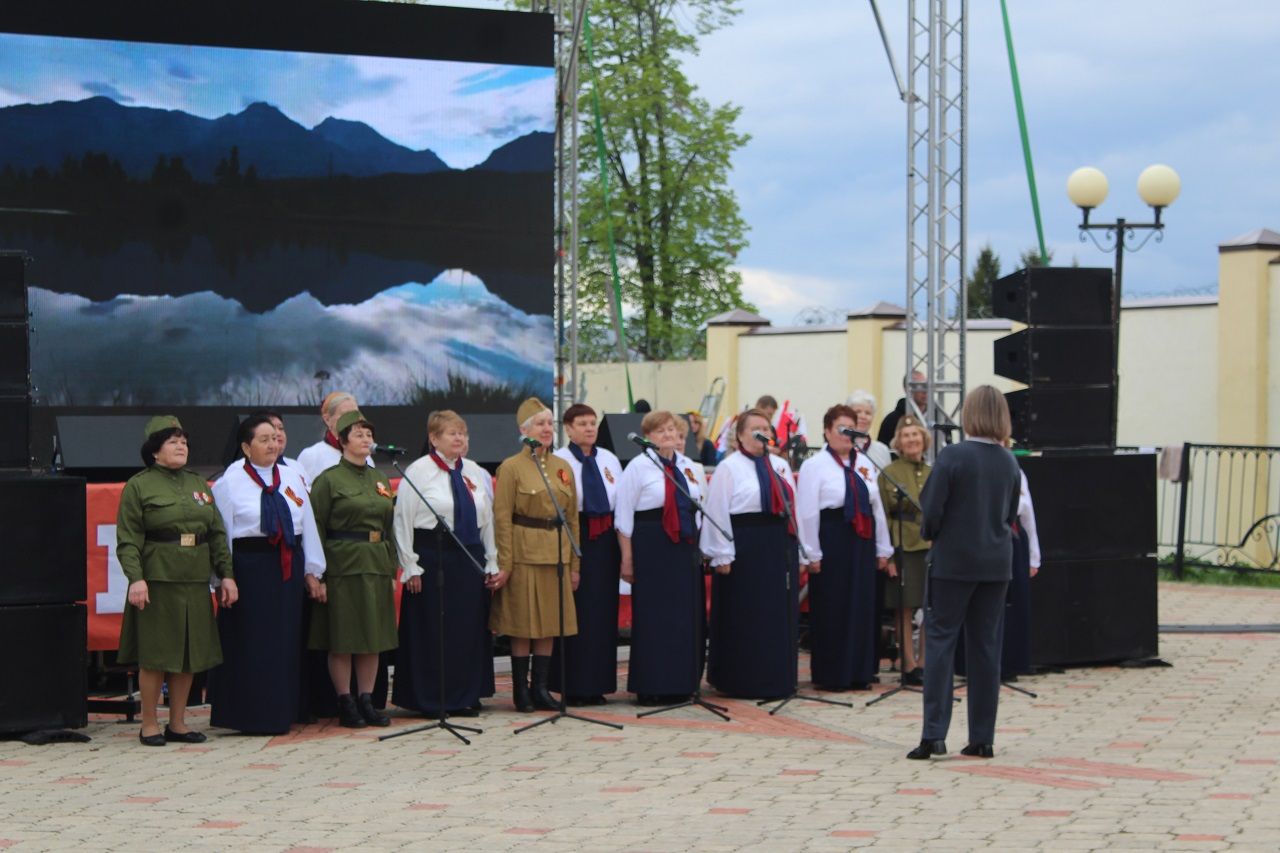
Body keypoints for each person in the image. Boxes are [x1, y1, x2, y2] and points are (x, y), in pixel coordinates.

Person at [908, 385, 1020, 761]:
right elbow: (1009, 514)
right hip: (996, 564)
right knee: (986, 648)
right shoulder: (1009, 461)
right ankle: (983, 737)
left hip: (953, 563)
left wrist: (931, 532)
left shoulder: (954, 456)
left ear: (969, 413)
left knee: (940, 643)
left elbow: (933, 510)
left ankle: (934, 734)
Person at [117, 416, 237, 746]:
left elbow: (215, 533)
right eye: (172, 441)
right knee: (157, 655)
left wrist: (226, 575)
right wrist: (136, 579)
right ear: (154, 452)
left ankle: (179, 722)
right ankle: (150, 724)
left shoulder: (198, 484)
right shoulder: (139, 486)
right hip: (159, 579)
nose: (181, 446)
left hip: (195, 578)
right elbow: (129, 539)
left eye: (183, 441)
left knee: (189, 653)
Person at [209, 415, 324, 734]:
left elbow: (307, 525)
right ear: (246, 447)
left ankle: (284, 710)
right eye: (264, 439)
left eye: (275, 438)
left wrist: (313, 570)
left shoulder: (291, 478)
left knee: (284, 639)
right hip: (250, 568)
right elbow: (223, 533)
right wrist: (223, 577)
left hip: (287, 567)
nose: (273, 444)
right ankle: (250, 714)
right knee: (253, 640)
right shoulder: (230, 482)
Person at [392, 411, 497, 718]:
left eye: (462, 434)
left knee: (465, 628)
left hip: (468, 555)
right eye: (452, 434)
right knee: (433, 628)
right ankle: (431, 697)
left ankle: (464, 695)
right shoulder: (419, 470)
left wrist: (491, 559)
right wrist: (409, 564)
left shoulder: (475, 472)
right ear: (434, 438)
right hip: (432, 554)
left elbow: (486, 519)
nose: (459, 439)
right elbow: (403, 519)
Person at [307, 410, 399, 729]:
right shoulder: (329, 480)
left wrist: (390, 569)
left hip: (375, 563)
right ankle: (345, 700)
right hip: (342, 564)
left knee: (372, 636)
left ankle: (367, 699)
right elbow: (315, 526)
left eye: (369, 435)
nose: (366, 440)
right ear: (343, 440)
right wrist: (316, 574)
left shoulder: (379, 479)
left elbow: (389, 527)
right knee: (343, 636)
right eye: (358, 434)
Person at [701, 408, 800, 699]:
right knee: (746, 614)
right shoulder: (729, 467)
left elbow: (793, 508)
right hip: (744, 545)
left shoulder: (780, 465)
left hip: (777, 543)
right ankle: (740, 679)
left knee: (774, 614)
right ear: (741, 435)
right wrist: (722, 554)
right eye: (756, 428)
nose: (763, 432)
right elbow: (717, 511)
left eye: (767, 428)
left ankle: (775, 678)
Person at [490, 397, 581, 712]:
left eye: (549, 424)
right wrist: (506, 562)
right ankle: (520, 691)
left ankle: (540, 688)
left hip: (556, 553)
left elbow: (572, 518)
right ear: (523, 429)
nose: (546, 429)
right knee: (524, 624)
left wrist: (574, 564)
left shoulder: (562, 467)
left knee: (549, 624)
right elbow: (502, 518)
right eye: (540, 424)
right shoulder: (511, 467)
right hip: (524, 552)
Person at [796, 405, 894, 691]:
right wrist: (811, 553)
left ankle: (859, 671)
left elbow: (876, 508)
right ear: (827, 432)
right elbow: (808, 512)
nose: (847, 434)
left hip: (861, 541)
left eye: (852, 429)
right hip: (832, 538)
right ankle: (832, 673)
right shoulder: (815, 466)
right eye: (841, 428)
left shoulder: (864, 463)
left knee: (861, 605)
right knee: (833, 606)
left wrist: (882, 549)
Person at [614, 409, 703, 705]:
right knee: (654, 616)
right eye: (661, 431)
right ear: (648, 437)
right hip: (651, 546)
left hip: (683, 547)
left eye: (673, 431)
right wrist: (627, 558)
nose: (668, 436)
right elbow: (624, 515)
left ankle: (681, 682)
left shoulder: (690, 467)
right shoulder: (638, 468)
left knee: (682, 616)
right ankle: (652, 684)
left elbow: (699, 506)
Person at [549, 404, 624, 705]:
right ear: (568, 428)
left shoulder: (609, 459)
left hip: (605, 540)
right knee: (576, 610)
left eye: (593, 423)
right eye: (582, 423)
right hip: (574, 536)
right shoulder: (558, 461)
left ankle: (598, 683)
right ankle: (573, 685)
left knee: (603, 612)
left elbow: (619, 498)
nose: (589, 428)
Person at [878, 415, 932, 685]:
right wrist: (887, 554)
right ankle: (909, 664)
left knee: (928, 606)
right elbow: (883, 516)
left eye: (916, 435)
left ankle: (925, 662)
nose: (912, 440)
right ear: (898, 442)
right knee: (905, 608)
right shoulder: (890, 472)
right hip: (902, 545)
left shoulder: (933, 472)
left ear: (924, 439)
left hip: (929, 546)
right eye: (906, 435)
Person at [1002, 469, 1041, 679]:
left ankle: (1011, 661)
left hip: (1013, 536)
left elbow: (1028, 515)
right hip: (982, 536)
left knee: (1014, 600)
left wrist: (1034, 556)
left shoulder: (1015, 471)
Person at [296, 391, 373, 485]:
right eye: (345, 415)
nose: (352, 420)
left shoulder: (366, 456)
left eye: (355, 414)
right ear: (327, 419)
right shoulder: (312, 455)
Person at [876, 371, 928, 448]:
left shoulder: (938, 417)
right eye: (918, 386)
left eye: (926, 385)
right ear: (906, 389)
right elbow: (883, 452)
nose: (925, 391)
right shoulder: (892, 420)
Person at [846, 390, 892, 470]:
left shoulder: (882, 450)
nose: (863, 417)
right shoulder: (840, 447)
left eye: (868, 413)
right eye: (858, 412)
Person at [250, 409, 300, 474]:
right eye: (272, 428)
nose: (278, 433)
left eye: (281, 428)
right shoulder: (243, 471)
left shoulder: (296, 467)